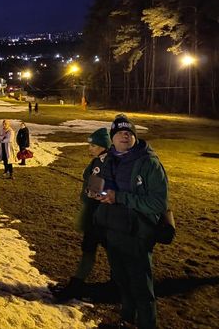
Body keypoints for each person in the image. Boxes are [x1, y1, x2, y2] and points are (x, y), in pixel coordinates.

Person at [93, 114, 168, 329]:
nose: (124, 136)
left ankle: (146, 324)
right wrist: (96, 191)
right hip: (114, 232)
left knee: (141, 288)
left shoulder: (149, 163)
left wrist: (119, 197)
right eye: (119, 133)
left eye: (128, 132)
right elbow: (100, 183)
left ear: (134, 137)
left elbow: (158, 203)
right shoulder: (109, 159)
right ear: (112, 138)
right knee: (122, 283)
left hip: (137, 234)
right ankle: (126, 321)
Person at [53, 127, 111, 302]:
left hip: (101, 217)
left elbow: (97, 191)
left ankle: (115, 285)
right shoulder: (98, 161)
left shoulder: (105, 163)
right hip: (95, 215)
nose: (89, 148)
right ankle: (77, 284)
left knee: (102, 250)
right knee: (91, 249)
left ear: (102, 146)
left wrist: (92, 194)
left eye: (92, 145)